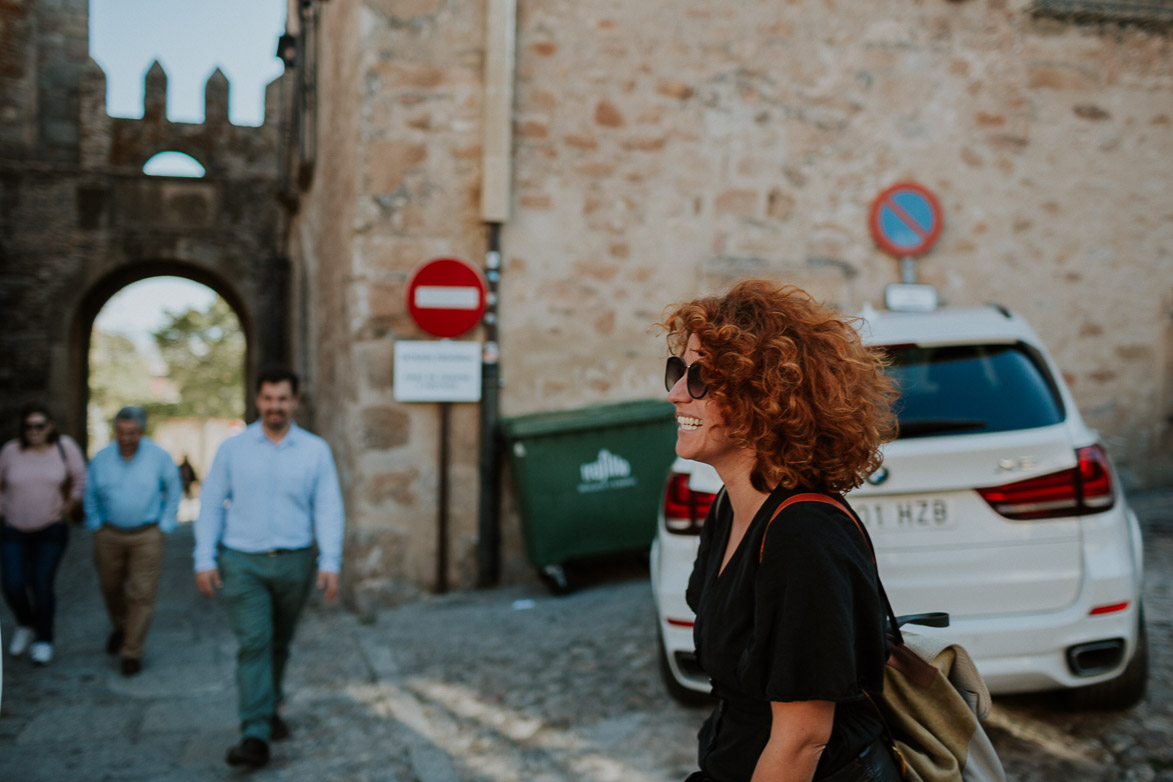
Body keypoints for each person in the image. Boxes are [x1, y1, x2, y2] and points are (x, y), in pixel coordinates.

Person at [660, 281, 902, 782]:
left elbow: (801, 739)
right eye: (678, 371)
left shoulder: (804, 535)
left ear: (763, 397)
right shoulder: (731, 505)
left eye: (701, 377)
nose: (675, 392)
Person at [193, 367, 344, 769]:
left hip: (296, 562)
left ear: (294, 401)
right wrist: (204, 558)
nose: (274, 406)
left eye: (282, 399)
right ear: (257, 400)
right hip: (242, 562)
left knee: (279, 642)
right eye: (267, 399)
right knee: (254, 643)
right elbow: (210, 503)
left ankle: (270, 702)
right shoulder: (233, 450)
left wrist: (330, 561)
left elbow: (328, 507)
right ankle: (255, 733)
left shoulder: (315, 451)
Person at [84, 406, 182, 677]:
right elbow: (89, 493)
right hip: (109, 534)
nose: (127, 438)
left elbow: (174, 489)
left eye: (133, 433)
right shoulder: (102, 458)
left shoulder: (158, 456)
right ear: (116, 431)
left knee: (142, 593)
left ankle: (131, 650)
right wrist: (95, 524)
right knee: (110, 587)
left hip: (146, 535)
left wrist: (165, 524)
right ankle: (122, 625)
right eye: (122, 432)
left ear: (141, 431)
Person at [0, 404, 86, 666]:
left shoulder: (65, 447)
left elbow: (80, 481)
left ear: (49, 425)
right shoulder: (11, 451)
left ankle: (43, 639)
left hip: (50, 528)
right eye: (28, 426)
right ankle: (26, 623)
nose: (34, 431)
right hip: (13, 528)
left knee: (41, 584)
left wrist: (68, 508)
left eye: (39, 425)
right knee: (13, 584)